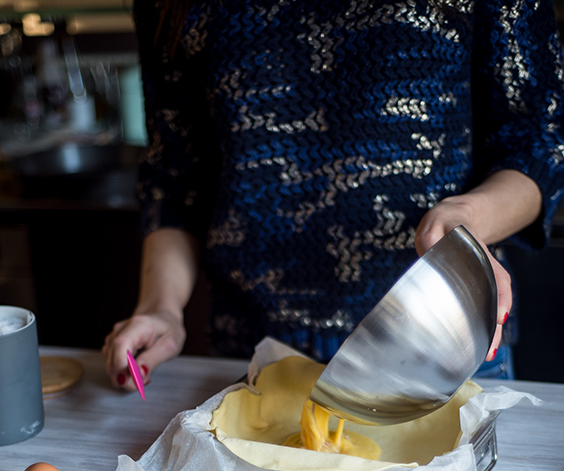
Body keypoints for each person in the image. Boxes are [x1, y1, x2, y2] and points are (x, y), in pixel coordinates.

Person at [103, 0, 564, 392]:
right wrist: (160, 306)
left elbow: (540, 142)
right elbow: (176, 175)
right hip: (259, 352)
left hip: (442, 342)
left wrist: (468, 216)